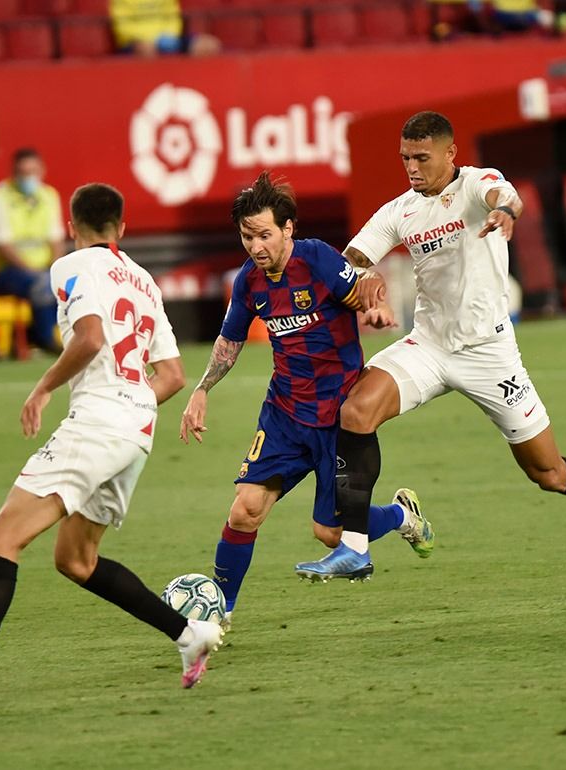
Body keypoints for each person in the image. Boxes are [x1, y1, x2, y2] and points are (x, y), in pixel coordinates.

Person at [293, 111, 566, 583]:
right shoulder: (399, 211)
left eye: (422, 157)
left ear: (450, 153)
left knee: (548, 473)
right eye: (406, 158)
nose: (412, 167)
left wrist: (504, 211)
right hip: (427, 347)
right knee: (356, 411)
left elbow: (505, 196)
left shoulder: (473, 185)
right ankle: (356, 548)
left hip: (489, 353)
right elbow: (352, 261)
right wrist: (366, 281)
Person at [0, 182, 223, 710]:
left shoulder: (71, 266)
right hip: (137, 430)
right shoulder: (143, 280)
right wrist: (133, 402)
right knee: (76, 559)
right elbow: (175, 375)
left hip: (97, 422)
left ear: (72, 226)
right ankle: (189, 634)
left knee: (2, 535)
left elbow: (90, 337)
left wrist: (44, 387)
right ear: (122, 226)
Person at [178, 172, 433, 626]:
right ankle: (220, 614)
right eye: (247, 236)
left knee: (329, 532)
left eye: (264, 235)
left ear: (288, 228)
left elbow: (360, 288)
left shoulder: (315, 259)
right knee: (245, 511)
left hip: (339, 416)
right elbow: (229, 340)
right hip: (285, 415)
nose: (256, 247)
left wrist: (373, 302)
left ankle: (399, 515)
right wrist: (202, 389)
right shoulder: (249, 282)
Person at [0, 148, 64, 350]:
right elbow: (3, 245)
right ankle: (46, 340)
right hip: (4, 272)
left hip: (42, 270)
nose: (28, 177)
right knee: (42, 283)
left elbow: (56, 239)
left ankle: (69, 336)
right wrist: (33, 271)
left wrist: (57, 268)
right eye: (23, 172)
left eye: (32, 171)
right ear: (14, 172)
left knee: (68, 281)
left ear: (42, 170)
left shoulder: (48, 195)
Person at [109, 0, 220, 57]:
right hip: (135, 42)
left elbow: (173, 17)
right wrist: (147, 39)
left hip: (167, 37)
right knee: (147, 49)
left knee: (208, 44)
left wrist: (169, 36)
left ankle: (193, 81)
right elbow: (122, 25)